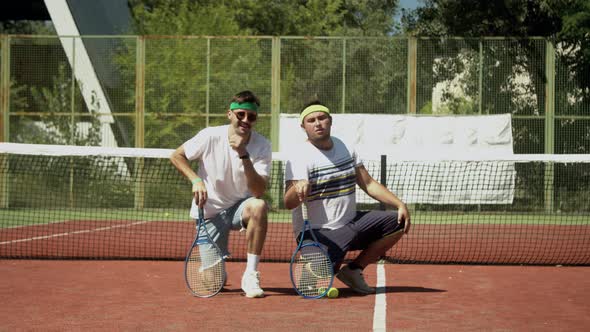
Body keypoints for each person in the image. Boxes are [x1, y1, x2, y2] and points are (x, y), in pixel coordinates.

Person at [283, 99, 411, 295]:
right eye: (311, 120)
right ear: (303, 126)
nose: (317, 123)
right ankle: (315, 266)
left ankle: (353, 270)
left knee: (398, 221)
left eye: (321, 118)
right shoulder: (300, 156)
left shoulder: (344, 147)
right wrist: (298, 188)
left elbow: (368, 183)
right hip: (317, 232)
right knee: (322, 272)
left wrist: (399, 203)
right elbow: (288, 203)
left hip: (352, 223)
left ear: (330, 120)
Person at [170, 90, 271, 298]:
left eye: (251, 117)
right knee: (214, 284)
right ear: (230, 114)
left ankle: (250, 274)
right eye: (240, 114)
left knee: (259, 205)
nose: (245, 120)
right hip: (210, 213)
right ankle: (214, 269)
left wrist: (244, 154)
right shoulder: (210, 135)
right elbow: (177, 156)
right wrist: (196, 180)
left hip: (240, 207)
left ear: (255, 119)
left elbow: (258, 191)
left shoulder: (262, 145)